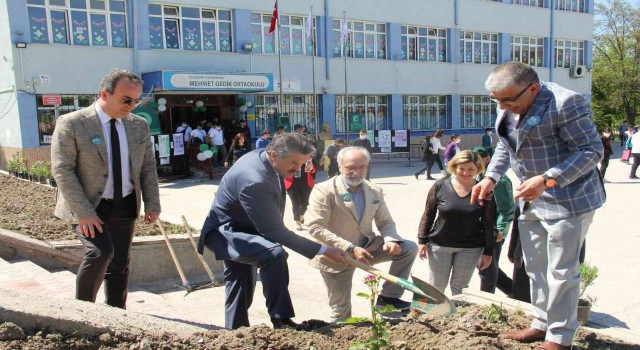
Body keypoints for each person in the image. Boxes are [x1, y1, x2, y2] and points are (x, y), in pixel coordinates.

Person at [472, 62, 605, 350]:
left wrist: (547, 180)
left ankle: (560, 337)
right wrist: (491, 177)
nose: (503, 106)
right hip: (531, 200)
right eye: (497, 101)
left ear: (532, 88)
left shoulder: (566, 103)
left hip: (568, 199)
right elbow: (506, 147)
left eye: (509, 100)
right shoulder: (507, 101)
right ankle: (541, 322)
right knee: (535, 268)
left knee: (562, 271)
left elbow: (590, 151)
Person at [197, 133, 347, 330]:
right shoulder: (255, 179)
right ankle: (281, 320)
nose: (297, 169)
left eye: (302, 163)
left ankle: (236, 333)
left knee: (239, 284)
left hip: (246, 227)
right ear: (274, 154)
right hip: (225, 232)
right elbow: (274, 231)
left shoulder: (266, 158)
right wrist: (324, 250)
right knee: (273, 254)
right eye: (293, 162)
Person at [50, 69, 161, 309]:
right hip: (89, 204)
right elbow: (62, 170)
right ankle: (84, 312)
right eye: (126, 100)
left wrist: (152, 203)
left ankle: (117, 314)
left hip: (125, 203)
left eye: (136, 100)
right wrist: (84, 213)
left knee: (120, 263)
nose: (132, 106)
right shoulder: (73, 123)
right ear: (104, 94)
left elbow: (148, 167)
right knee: (100, 252)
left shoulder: (138, 125)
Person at [306, 147, 418, 322]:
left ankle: (388, 297)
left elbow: (385, 222)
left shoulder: (373, 190)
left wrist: (390, 239)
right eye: (351, 167)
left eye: (362, 167)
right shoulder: (324, 190)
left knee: (408, 248)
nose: (357, 172)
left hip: (367, 249)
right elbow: (315, 227)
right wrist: (349, 247)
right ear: (340, 166)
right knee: (341, 314)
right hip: (337, 256)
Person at [417, 150, 495, 296]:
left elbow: (488, 222)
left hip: (470, 247)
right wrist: (422, 240)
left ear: (478, 169)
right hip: (440, 245)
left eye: (470, 169)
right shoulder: (440, 185)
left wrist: (488, 251)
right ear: (454, 167)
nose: (465, 173)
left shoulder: (484, 191)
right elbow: (429, 213)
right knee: (436, 286)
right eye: (462, 169)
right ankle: (433, 317)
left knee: (460, 288)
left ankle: (457, 317)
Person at [471, 146, 514, 295]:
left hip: (494, 231)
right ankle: (512, 288)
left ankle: (487, 298)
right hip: (480, 230)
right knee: (485, 264)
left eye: (478, 160)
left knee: (486, 268)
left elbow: (507, 209)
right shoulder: (478, 176)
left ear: (488, 159)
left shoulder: (499, 181)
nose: (474, 163)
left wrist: (501, 231)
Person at [285, 155, 317, 231]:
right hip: (292, 183)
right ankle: (297, 222)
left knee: (306, 203)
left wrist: (311, 168)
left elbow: (314, 170)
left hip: (306, 183)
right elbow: (283, 169)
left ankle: (301, 215)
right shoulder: (289, 156)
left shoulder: (309, 158)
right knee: (295, 203)